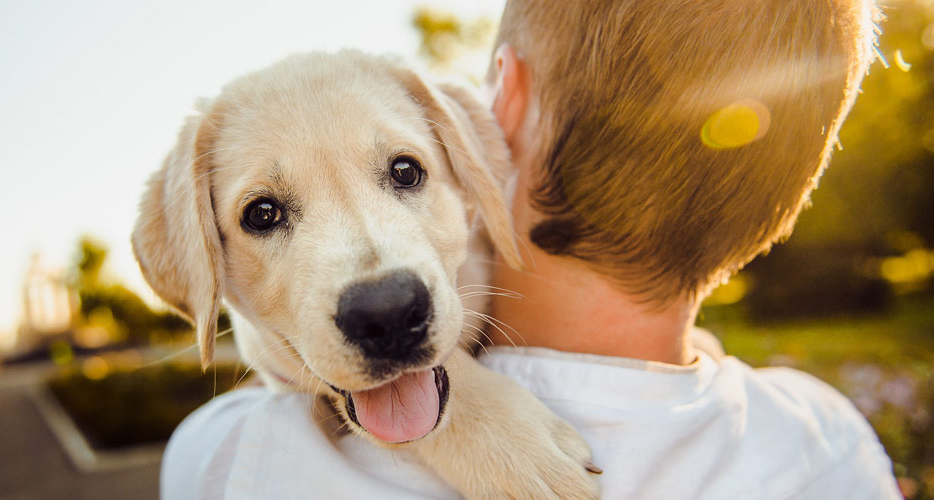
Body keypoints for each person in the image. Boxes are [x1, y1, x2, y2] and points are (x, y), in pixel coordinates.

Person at [161, 0, 902, 498]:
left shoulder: (229, 461)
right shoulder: (830, 444)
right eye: (265, 213)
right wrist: (459, 409)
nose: (380, 288)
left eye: (404, 173)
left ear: (499, 108)